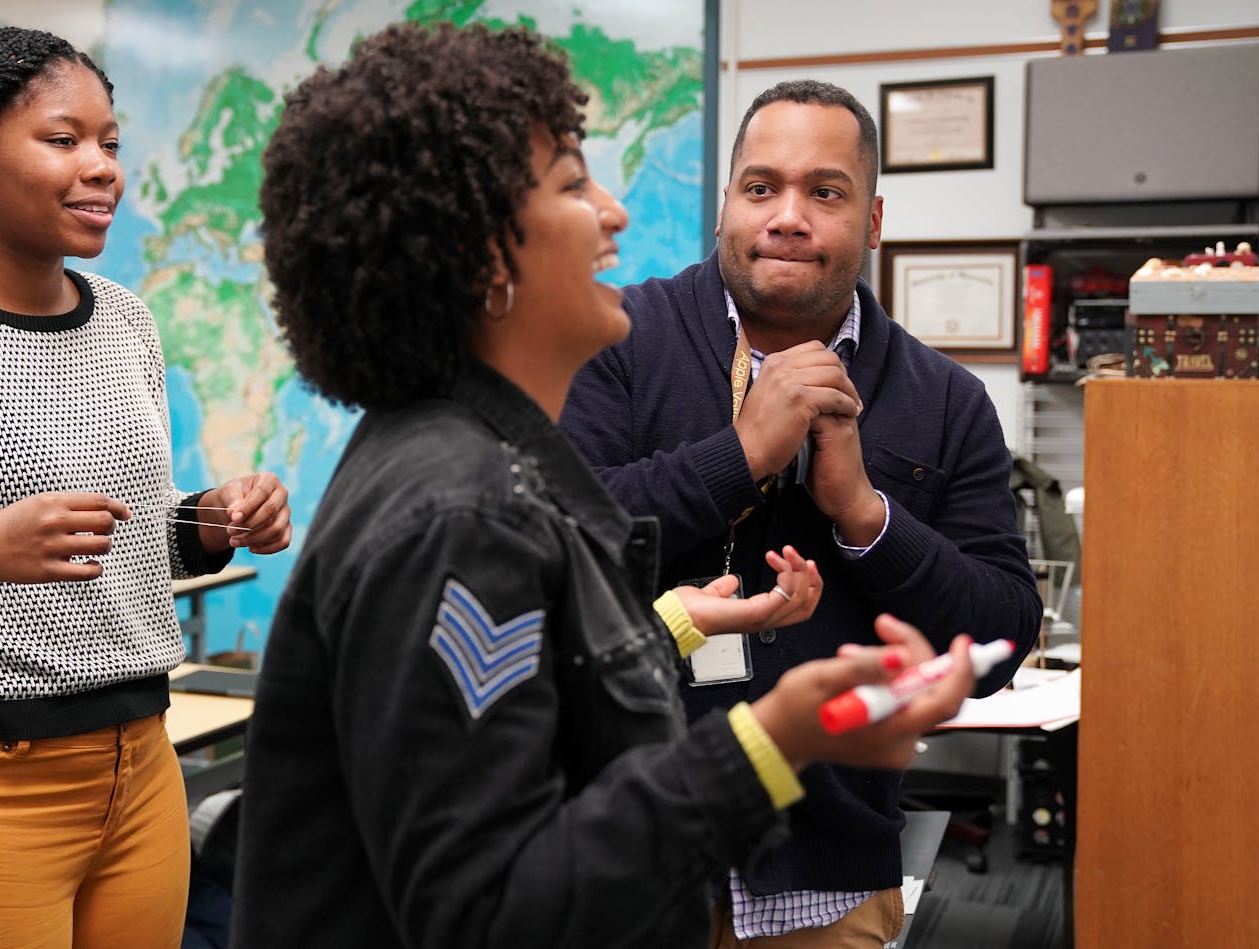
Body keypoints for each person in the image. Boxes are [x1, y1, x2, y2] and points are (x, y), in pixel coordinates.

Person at [231, 25, 977, 949]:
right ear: (483, 254)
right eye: (575, 184)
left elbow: (524, 709)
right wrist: (778, 738)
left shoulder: (460, 456)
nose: (616, 213)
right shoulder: (462, 513)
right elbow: (492, 909)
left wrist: (678, 627)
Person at [0, 27, 291, 949]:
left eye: (111, 143)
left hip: (140, 771)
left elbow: (114, 543)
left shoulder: (127, 320)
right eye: (63, 139)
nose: (102, 168)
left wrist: (214, 522)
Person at [558, 80, 1042, 947]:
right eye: (760, 187)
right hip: (614, 861)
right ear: (724, 208)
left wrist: (864, 515)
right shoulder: (616, 339)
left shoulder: (947, 400)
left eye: (825, 191)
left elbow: (1003, 635)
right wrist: (738, 458)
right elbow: (557, 541)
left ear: (874, 219)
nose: (787, 216)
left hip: (826, 886)